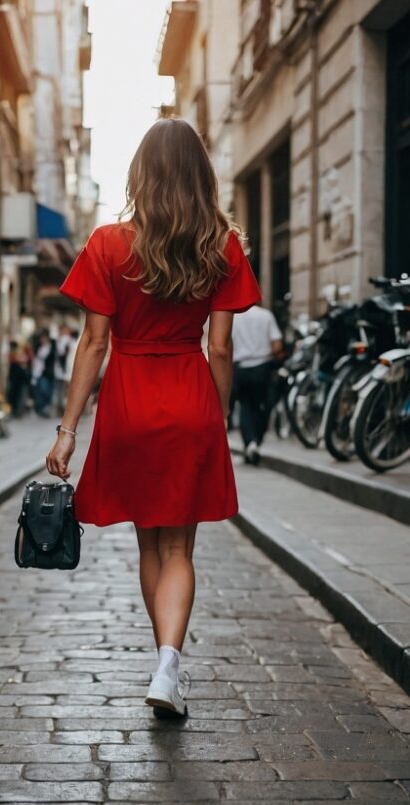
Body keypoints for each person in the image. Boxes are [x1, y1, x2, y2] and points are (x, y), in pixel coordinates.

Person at [46, 118, 260, 716]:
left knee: (149, 545)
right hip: (190, 396)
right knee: (180, 551)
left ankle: (162, 661)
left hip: (130, 403)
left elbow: (93, 345)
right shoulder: (221, 245)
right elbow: (220, 349)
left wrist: (68, 431)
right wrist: (216, 419)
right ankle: (169, 663)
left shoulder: (109, 244)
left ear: (141, 173)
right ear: (201, 175)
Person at [231, 302, 283, 464]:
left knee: (246, 405)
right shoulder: (265, 315)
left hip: (240, 368)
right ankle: (256, 441)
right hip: (262, 367)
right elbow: (277, 345)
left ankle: (250, 442)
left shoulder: (234, 318)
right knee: (262, 405)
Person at [31, 328, 56, 417]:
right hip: (39, 373)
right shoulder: (38, 347)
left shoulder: (52, 347)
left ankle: (44, 409)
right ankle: (40, 409)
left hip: (48, 373)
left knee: (47, 392)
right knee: (41, 391)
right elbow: (36, 361)